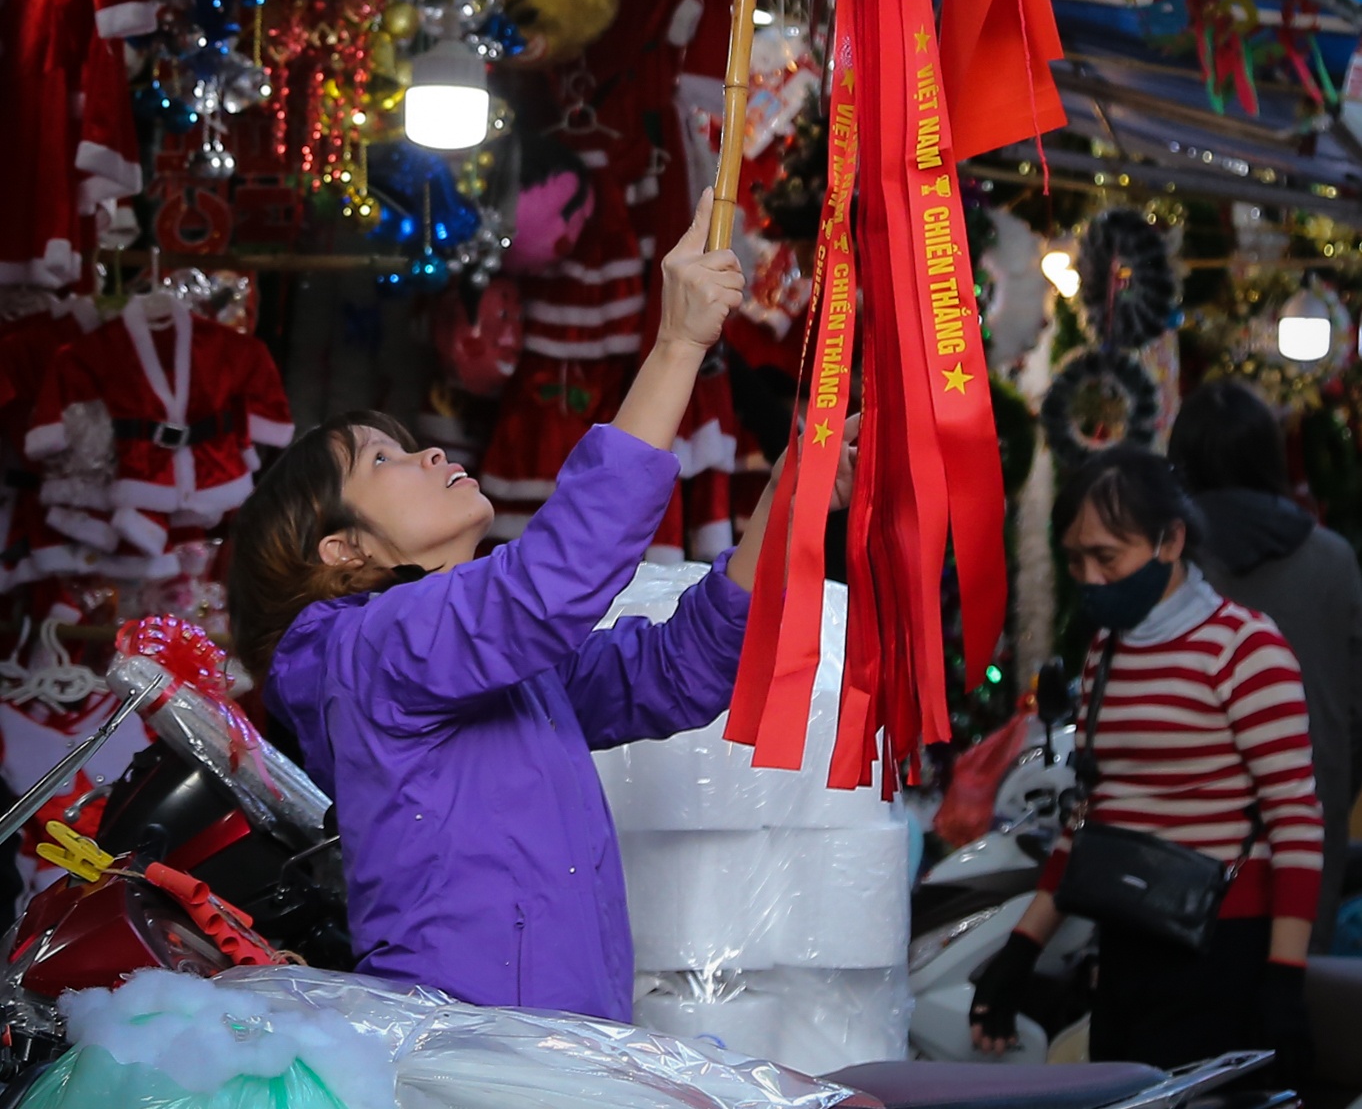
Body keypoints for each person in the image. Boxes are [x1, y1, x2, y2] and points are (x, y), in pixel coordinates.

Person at [228, 191, 855, 1022]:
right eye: (385, 460)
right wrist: (675, 345)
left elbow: (672, 672)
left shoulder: (484, 658)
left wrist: (786, 501)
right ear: (343, 551)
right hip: (478, 1062)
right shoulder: (365, 653)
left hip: (561, 1048)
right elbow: (554, 582)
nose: (429, 452)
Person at [969, 443, 1323, 1075]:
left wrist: (1283, 977)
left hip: (1220, 947)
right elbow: (1092, 812)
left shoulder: (1246, 649)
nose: (1091, 579)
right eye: (1076, 560)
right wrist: (1021, 951)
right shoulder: (1107, 652)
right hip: (1127, 943)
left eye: (1108, 557)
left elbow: (1295, 821)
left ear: (1170, 540)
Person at [1169, 377, 1362, 950]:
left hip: (1177, 836)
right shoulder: (1331, 558)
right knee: (1292, 1003)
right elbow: (1354, 713)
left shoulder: (1163, 563)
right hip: (1305, 823)